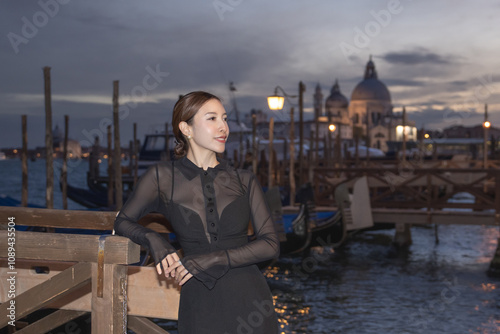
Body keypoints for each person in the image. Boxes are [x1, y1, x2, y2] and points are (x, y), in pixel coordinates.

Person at [114, 91, 280, 333]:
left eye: (224, 118)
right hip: (199, 302)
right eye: (212, 119)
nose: (223, 127)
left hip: (250, 300)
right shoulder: (162, 177)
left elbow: (271, 244)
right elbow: (122, 221)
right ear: (186, 128)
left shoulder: (243, 179)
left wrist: (212, 258)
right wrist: (154, 240)